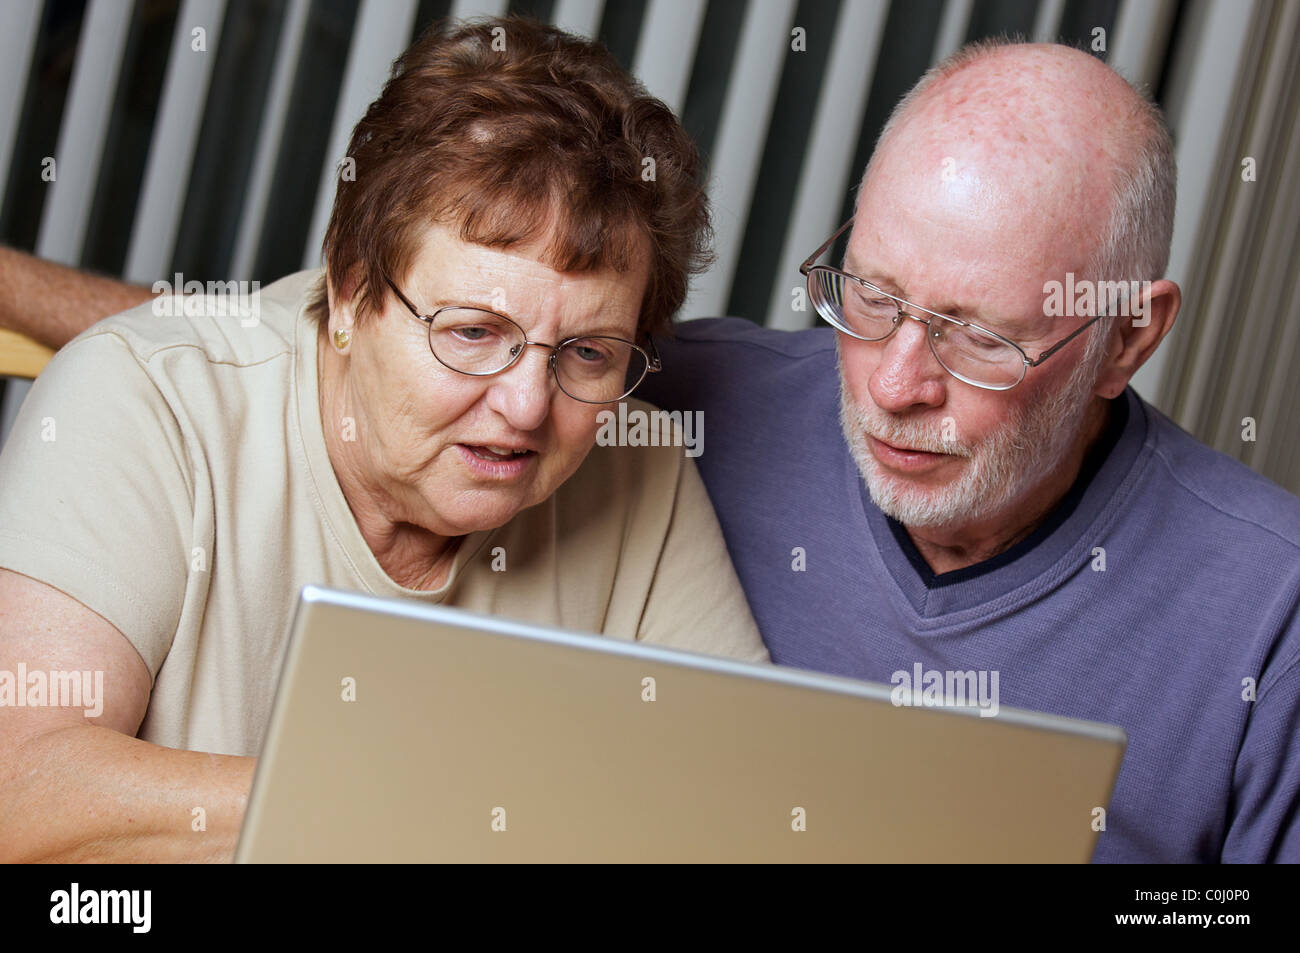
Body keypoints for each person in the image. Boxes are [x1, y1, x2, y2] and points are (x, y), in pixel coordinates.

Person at [0, 17, 767, 863]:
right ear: (354, 290)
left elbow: (748, 812)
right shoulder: (145, 398)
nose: (524, 406)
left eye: (587, 352)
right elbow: (23, 793)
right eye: (473, 331)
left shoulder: (637, 462)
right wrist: (418, 799)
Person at [636, 41, 1300, 863]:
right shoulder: (670, 405)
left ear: (1127, 339)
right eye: (873, 297)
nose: (894, 384)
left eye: (979, 336)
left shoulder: (1276, 611)